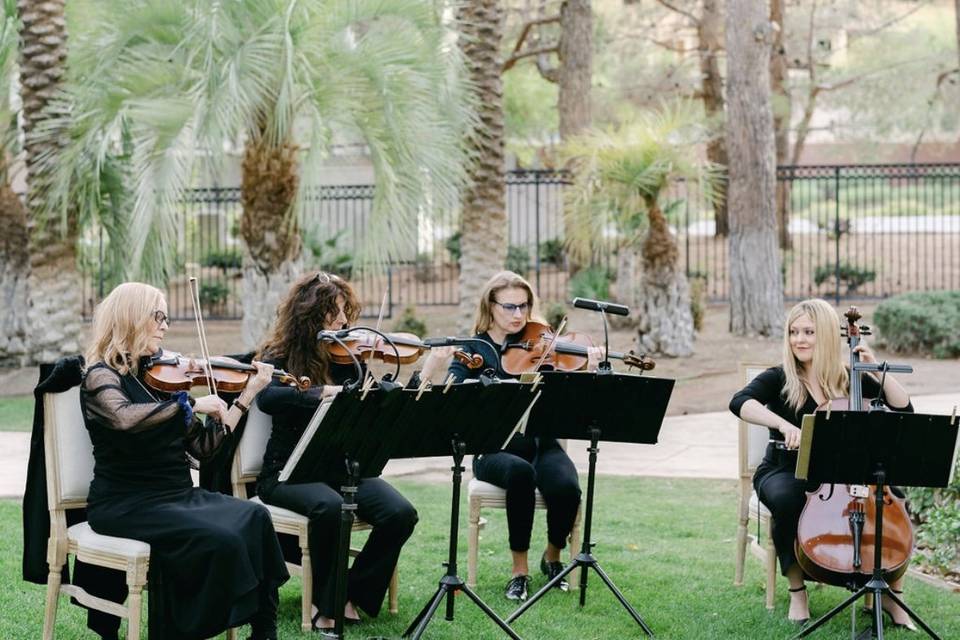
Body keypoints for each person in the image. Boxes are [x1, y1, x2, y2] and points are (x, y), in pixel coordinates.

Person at [81, 282, 288, 640]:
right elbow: (124, 418)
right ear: (131, 319)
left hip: (175, 494)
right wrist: (190, 405)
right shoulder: (102, 376)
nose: (164, 325)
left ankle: (263, 630)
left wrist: (246, 396)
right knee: (218, 539)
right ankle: (183, 631)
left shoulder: (161, 383)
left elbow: (205, 449)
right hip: (126, 501)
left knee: (255, 516)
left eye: (165, 317)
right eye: (157, 316)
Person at [728, 298, 915, 628]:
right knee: (788, 499)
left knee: (893, 498)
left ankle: (889, 593)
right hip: (786, 467)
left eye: (809, 332)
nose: (799, 339)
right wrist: (782, 424)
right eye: (793, 332)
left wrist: (875, 370)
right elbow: (740, 401)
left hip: (840, 471)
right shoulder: (781, 377)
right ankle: (797, 590)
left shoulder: (848, 376)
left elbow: (904, 409)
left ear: (828, 334)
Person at [255, 271, 419, 631]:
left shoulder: (345, 357)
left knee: (400, 513)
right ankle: (326, 605)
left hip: (341, 467)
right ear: (310, 314)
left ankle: (351, 592)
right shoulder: (279, 353)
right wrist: (318, 393)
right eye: (335, 312)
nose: (344, 321)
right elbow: (267, 396)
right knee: (329, 508)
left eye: (346, 312)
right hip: (287, 471)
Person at [419, 270, 595, 602]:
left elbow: (572, 399)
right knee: (520, 474)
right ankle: (519, 571)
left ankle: (552, 557)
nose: (518, 315)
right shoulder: (474, 348)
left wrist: (586, 368)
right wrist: (442, 372)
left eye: (524, 306)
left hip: (542, 442)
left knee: (566, 486)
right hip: (493, 449)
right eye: (509, 307)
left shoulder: (541, 340)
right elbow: (454, 394)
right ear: (491, 305)